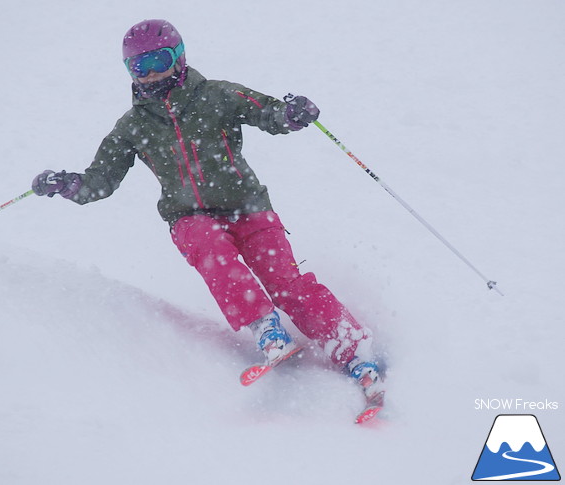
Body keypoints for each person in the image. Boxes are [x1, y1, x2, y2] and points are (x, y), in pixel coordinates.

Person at [32, 19, 384, 412]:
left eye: (159, 61)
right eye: (139, 68)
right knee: (211, 248)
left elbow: (269, 114)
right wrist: (68, 185)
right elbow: (100, 182)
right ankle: (266, 329)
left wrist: (291, 114)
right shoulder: (131, 128)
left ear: (179, 58)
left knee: (286, 282)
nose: (151, 74)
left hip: (249, 207)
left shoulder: (217, 95)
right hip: (189, 217)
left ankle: (355, 353)